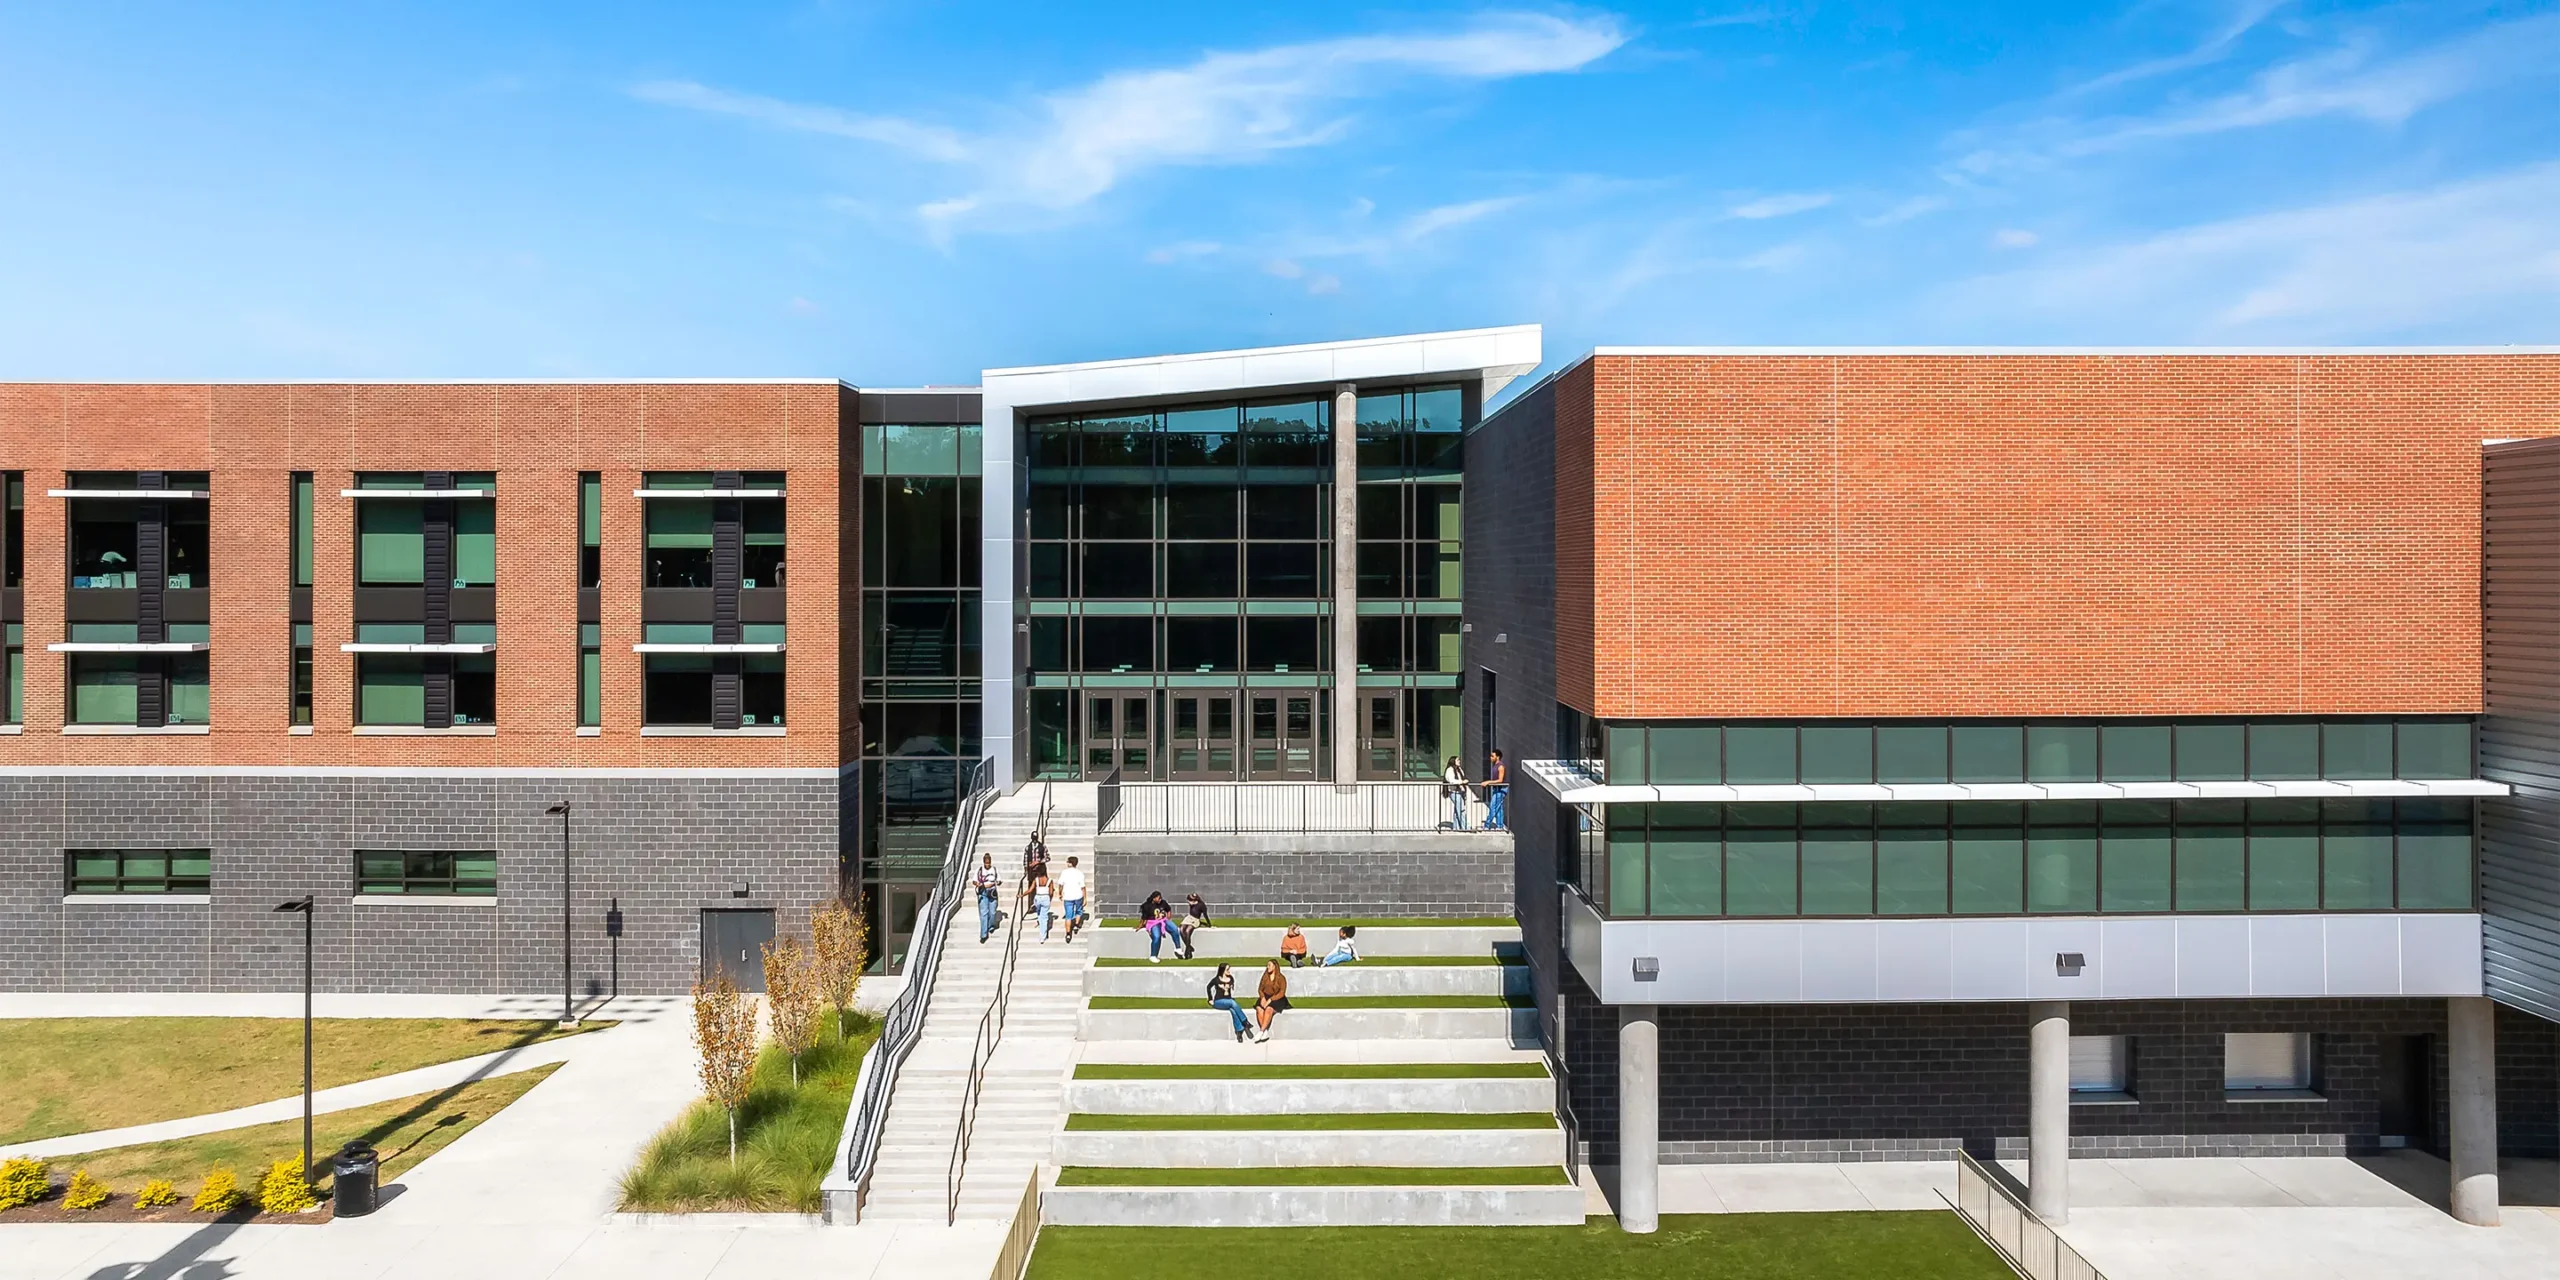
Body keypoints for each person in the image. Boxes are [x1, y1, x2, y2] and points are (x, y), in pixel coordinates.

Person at [1207, 963, 1257, 1043]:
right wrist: (1210, 999)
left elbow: (1227, 994)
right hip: (1219, 1002)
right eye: (1227, 970)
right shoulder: (1216, 979)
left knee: (1233, 1010)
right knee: (1232, 1003)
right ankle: (1245, 1022)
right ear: (1223, 970)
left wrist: (1226, 988)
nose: (1229, 971)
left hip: (1228, 1001)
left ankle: (1239, 1031)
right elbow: (1208, 987)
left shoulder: (1230, 979)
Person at [1254, 960, 1290, 1036]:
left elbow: (1282, 992)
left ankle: (1261, 1031)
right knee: (1259, 1009)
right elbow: (1260, 989)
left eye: (1269, 965)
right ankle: (1265, 1030)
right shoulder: (1265, 977)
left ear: (1274, 966)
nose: (1268, 967)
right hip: (1266, 996)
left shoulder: (1281, 978)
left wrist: (1270, 1000)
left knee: (1269, 1009)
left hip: (1277, 998)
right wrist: (1263, 998)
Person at [972, 853, 1002, 943]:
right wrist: (977, 884)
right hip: (983, 892)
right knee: (984, 913)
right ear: (984, 862)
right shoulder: (979, 870)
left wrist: (998, 882)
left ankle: (991, 925)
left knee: (992, 912)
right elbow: (974, 881)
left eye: (989, 863)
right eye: (986, 863)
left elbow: (999, 880)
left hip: (992, 892)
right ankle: (983, 934)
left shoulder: (994, 869)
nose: (987, 865)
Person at [1056, 855, 1087, 942]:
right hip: (1078, 895)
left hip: (1068, 896)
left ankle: (1068, 934)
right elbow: (1083, 887)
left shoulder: (1064, 873)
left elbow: (1061, 885)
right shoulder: (1079, 873)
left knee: (1068, 916)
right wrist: (1085, 898)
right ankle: (1076, 924)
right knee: (1078, 910)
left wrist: (1060, 893)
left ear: (1070, 863)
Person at [1142, 899, 1183, 963]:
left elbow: (1168, 909)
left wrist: (1168, 918)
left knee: (1174, 929)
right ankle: (1153, 955)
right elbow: (1144, 918)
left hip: (1163, 921)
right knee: (1157, 936)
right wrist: (1146, 928)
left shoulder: (1163, 903)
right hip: (1153, 923)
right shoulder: (1148, 906)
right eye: (1158, 898)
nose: (1159, 899)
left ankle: (1178, 948)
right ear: (1154, 898)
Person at [1178, 894, 1212, 960]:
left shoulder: (1201, 905)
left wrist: (1209, 924)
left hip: (1195, 919)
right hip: (1189, 917)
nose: (1188, 903)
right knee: (1181, 929)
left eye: (1189, 901)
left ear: (1194, 901)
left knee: (1188, 931)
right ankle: (1189, 946)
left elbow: (1205, 915)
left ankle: (1187, 951)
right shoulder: (1191, 905)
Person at [1442, 756, 1471, 831]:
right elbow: (1452, 780)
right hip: (1454, 792)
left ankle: (1456, 827)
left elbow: (1462, 777)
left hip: (1460, 791)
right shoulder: (1450, 770)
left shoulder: (1459, 769)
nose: (1459, 761)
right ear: (1453, 761)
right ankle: (1465, 827)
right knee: (1461, 809)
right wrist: (1462, 782)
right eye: (1457, 760)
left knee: (1457, 810)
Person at [1025, 866, 1054, 943]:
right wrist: (1050, 899)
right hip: (1046, 897)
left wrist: (1022, 895)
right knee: (1044, 917)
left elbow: (1030, 890)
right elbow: (1051, 892)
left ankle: (1039, 920)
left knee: (1039, 912)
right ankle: (1043, 936)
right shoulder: (1050, 880)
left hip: (1038, 897)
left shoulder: (1036, 880)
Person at [1485, 749, 1509, 832]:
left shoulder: (1500, 766)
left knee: (1493, 807)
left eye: (1492, 756)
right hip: (1496, 789)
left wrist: (1488, 782)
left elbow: (1500, 780)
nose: (1490, 758)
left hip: (1501, 789)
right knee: (1499, 809)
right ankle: (1499, 826)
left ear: (1497, 757)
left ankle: (1487, 825)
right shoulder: (1495, 765)